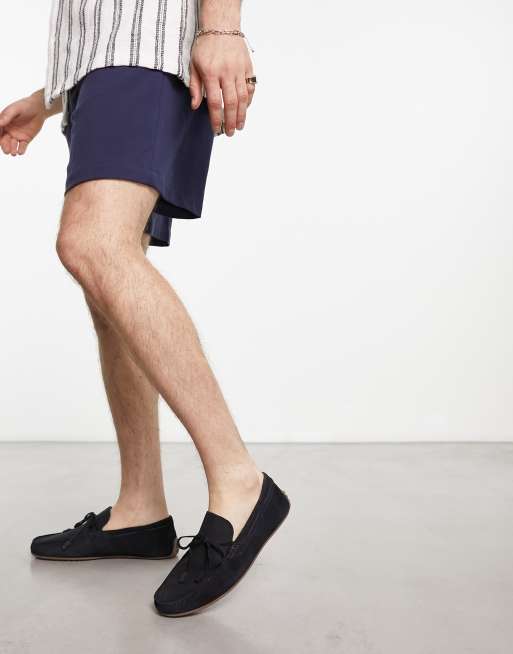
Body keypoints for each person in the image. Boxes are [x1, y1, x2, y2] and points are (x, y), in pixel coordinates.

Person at [0, 0, 290, 617]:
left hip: (146, 55)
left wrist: (223, 28)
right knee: (110, 271)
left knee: (93, 244)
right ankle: (140, 509)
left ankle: (240, 480)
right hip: (102, 67)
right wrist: (49, 97)